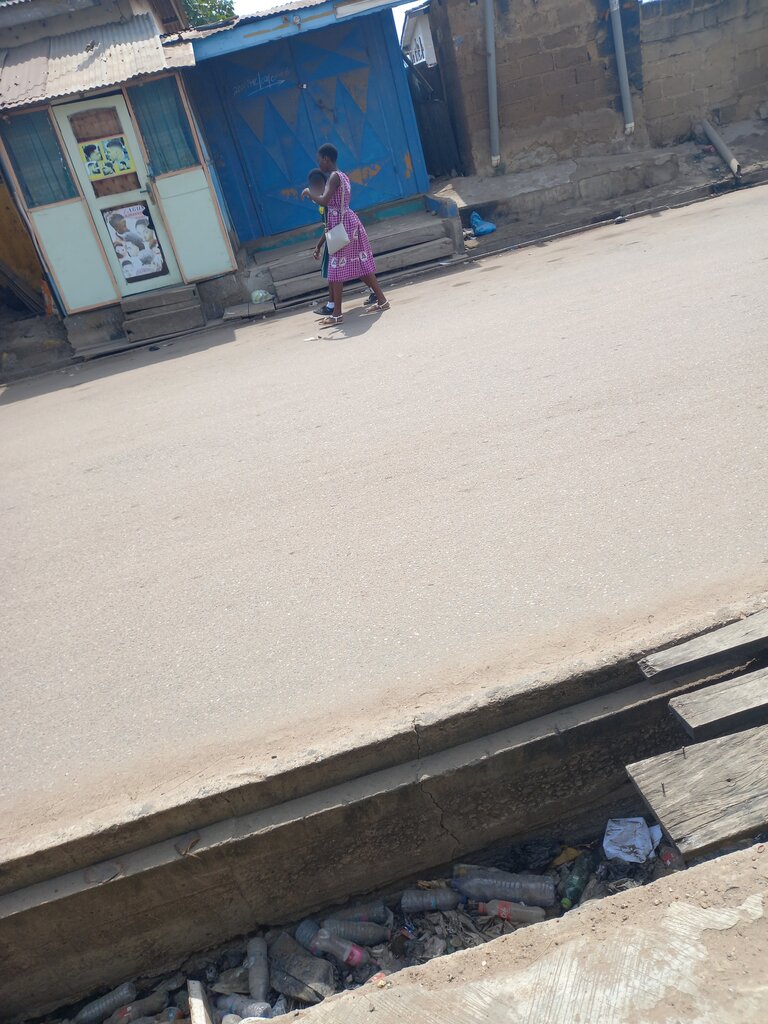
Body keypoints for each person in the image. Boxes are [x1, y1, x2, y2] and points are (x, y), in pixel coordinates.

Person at [302, 143, 388, 326]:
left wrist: (309, 193)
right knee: (361, 264)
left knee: (335, 270)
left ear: (326, 159)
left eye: (320, 161)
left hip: (342, 224)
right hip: (348, 222)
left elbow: (325, 200)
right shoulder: (343, 176)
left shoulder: (333, 177)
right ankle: (382, 300)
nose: (319, 165)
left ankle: (337, 314)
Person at [309, 168, 377, 318]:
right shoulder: (325, 203)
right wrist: (319, 245)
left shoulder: (328, 201)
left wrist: (319, 246)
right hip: (335, 236)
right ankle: (377, 296)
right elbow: (326, 226)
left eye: (317, 185)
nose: (315, 189)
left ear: (324, 185)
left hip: (337, 237)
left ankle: (334, 309)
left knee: (335, 273)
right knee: (356, 267)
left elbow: (329, 226)